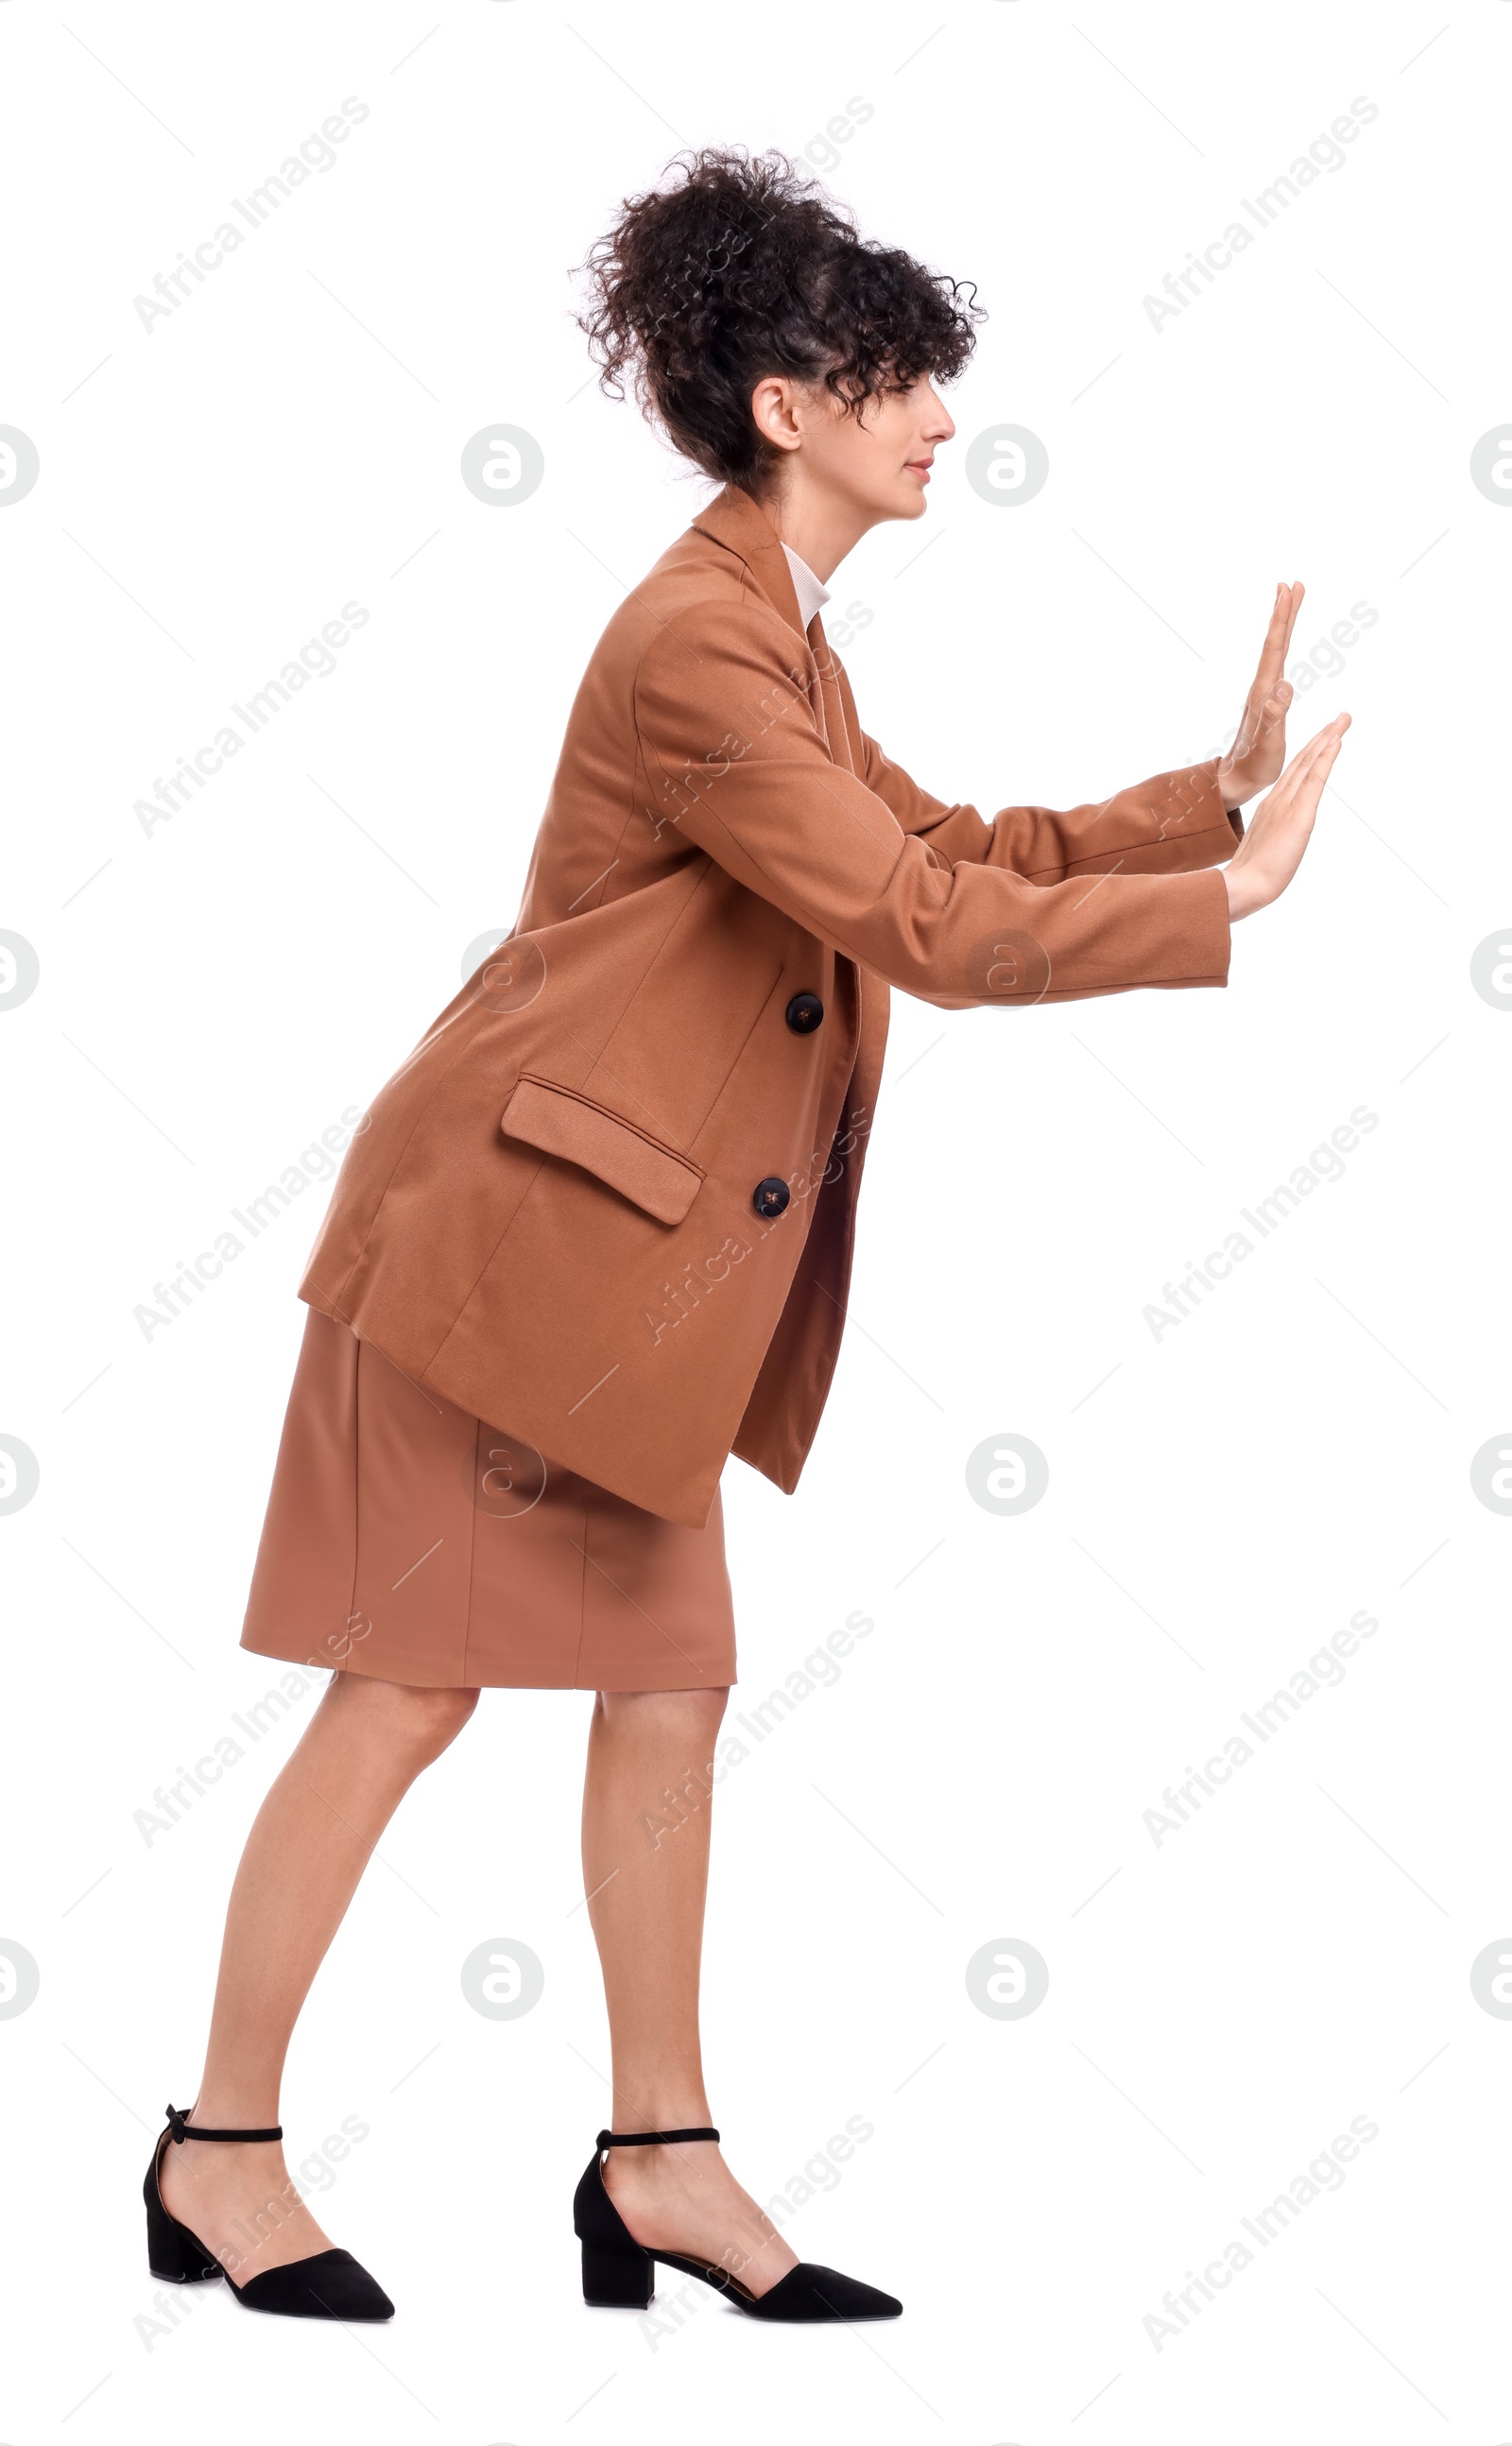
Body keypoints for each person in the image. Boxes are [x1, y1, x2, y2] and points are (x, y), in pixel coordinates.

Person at [143, 146, 1348, 2325]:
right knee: (408, 1691)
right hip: (495, 1261)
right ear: (785, 403)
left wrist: (1200, 801)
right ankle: (218, 2151)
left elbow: (942, 844)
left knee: (668, 1693)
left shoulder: (772, 632)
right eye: (894, 377)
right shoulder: (700, 643)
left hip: (617, 1294)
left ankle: (659, 2162)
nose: (940, 418)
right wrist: (1216, 918)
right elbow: (916, 922)